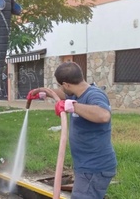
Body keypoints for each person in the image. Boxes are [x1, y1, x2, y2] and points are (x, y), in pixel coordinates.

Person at [27, 62, 117, 199]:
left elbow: (103, 115)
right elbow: (61, 95)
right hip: (87, 166)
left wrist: (73, 106)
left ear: (67, 84)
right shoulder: (76, 94)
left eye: (61, 86)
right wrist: (42, 92)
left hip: (94, 168)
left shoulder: (94, 95)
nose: (61, 89)